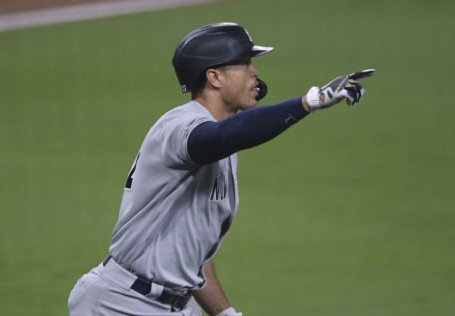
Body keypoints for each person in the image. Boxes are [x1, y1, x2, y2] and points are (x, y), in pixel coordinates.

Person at [67, 22, 375, 316]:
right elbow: (218, 138)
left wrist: (225, 312)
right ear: (214, 77)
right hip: (120, 303)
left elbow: (193, 253)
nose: (255, 72)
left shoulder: (225, 150)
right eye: (243, 63)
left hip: (174, 305)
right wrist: (309, 102)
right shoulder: (180, 126)